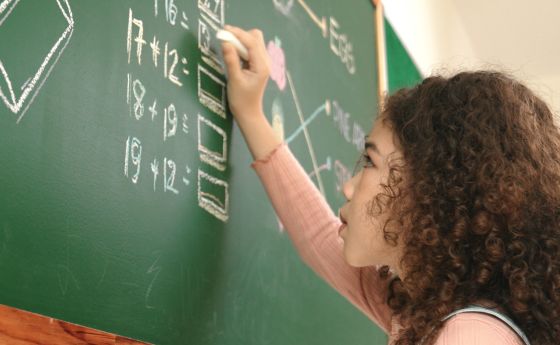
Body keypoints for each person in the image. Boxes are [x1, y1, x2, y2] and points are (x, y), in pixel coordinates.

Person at [220, 25, 560, 345]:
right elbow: (319, 237)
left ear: (431, 190)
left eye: (370, 161)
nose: (348, 188)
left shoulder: (469, 336)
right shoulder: (431, 316)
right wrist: (251, 114)